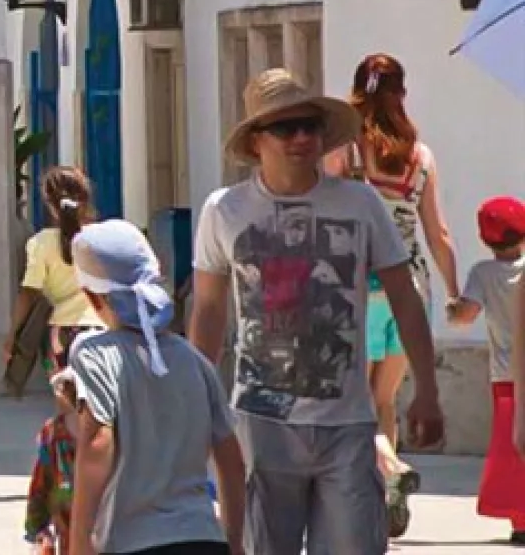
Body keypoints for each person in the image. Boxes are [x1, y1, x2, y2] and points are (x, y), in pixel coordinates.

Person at [190, 68, 444, 555]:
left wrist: (428, 391)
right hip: (262, 422)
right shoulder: (225, 211)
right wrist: (194, 399)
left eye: (310, 125)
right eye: (285, 128)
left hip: (346, 421)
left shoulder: (359, 203)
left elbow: (404, 295)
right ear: (257, 141)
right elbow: (208, 309)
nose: (302, 137)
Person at [319, 53, 458, 537]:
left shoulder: (345, 152)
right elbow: (438, 233)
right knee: (385, 399)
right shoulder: (421, 157)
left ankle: (381, 481)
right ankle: (387, 492)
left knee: (356, 403)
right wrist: (455, 292)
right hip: (409, 291)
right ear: (402, 93)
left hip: (355, 287)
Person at [65, 220, 248, 555]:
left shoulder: (93, 354)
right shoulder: (194, 360)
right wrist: (234, 543)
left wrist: (78, 541)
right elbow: (232, 462)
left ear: (91, 296)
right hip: (203, 538)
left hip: (132, 542)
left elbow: (98, 442)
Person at [18, 168, 107, 550]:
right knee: (102, 411)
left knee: (67, 417)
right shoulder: (101, 239)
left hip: (62, 335)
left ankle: (67, 482)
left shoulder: (41, 244)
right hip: (101, 331)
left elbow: (29, 292)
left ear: (50, 205)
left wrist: (12, 335)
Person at [448, 195, 525, 544]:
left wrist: (453, 305)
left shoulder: (482, 273)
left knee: (511, 447)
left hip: (506, 376)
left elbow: (465, 316)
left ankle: (520, 518)